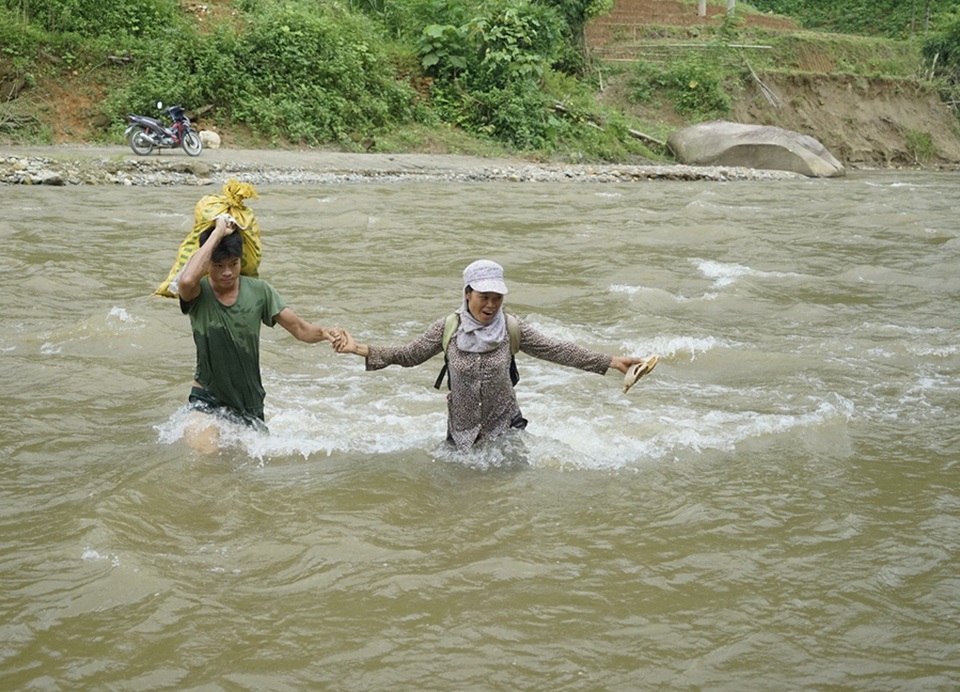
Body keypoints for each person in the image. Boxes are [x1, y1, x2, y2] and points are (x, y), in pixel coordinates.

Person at [334, 259, 657, 452]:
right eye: (484, 297)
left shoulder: (512, 329)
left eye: (497, 299)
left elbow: (558, 349)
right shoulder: (448, 328)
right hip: (461, 436)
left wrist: (612, 361)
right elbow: (408, 355)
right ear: (467, 294)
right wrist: (358, 348)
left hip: (506, 432)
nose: (490, 306)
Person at [177, 214, 342, 453]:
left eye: (233, 264)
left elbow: (301, 329)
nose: (226, 272)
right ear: (207, 263)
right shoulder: (197, 293)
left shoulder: (260, 292)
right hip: (206, 398)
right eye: (218, 265)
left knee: (246, 472)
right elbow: (187, 277)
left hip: (249, 403)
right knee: (208, 455)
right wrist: (218, 232)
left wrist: (327, 332)